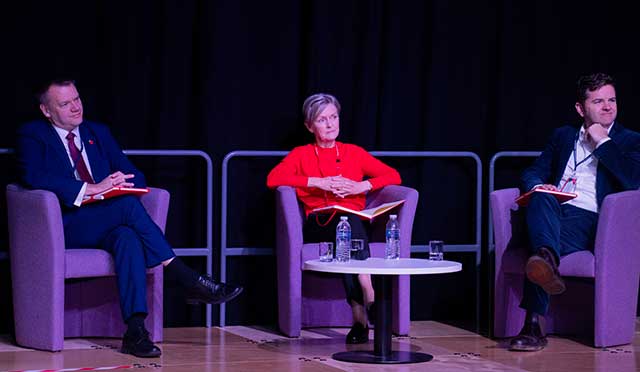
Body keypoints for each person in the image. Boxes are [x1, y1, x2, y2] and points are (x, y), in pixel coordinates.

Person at [15, 79, 243, 358]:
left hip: (104, 220)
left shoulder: (96, 132)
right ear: (46, 110)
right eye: (65, 104)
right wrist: (93, 188)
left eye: (77, 99)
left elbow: (136, 175)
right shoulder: (33, 134)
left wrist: (120, 182)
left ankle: (135, 331)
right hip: (63, 224)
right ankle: (185, 277)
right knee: (125, 207)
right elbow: (33, 176)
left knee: (128, 237)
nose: (75, 107)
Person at [510, 73, 640, 351]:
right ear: (581, 108)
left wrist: (604, 143)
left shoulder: (630, 141)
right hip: (553, 211)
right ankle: (545, 257)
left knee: (540, 240)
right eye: (598, 101)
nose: (608, 107)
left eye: (612, 100)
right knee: (542, 197)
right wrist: (537, 184)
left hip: (593, 221)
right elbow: (534, 170)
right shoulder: (563, 136)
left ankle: (533, 324)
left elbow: (633, 181)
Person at [266, 93, 401, 344]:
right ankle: (369, 290)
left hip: (354, 222)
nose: (330, 124)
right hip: (321, 222)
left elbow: (393, 175)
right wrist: (319, 183)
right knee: (346, 225)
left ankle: (360, 320)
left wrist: (361, 187)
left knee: (348, 234)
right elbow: (273, 179)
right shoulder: (301, 154)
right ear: (309, 126)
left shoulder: (354, 153)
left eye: (334, 117)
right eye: (322, 119)